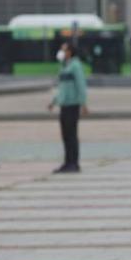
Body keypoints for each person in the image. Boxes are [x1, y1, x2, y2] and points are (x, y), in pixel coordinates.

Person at [49, 42, 88, 173]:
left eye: (64, 50)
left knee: (72, 135)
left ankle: (74, 163)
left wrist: (83, 103)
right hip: (64, 105)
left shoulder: (76, 65)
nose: (61, 52)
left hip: (73, 104)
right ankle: (67, 162)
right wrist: (53, 102)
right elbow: (61, 87)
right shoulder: (64, 66)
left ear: (70, 52)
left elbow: (81, 85)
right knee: (65, 135)